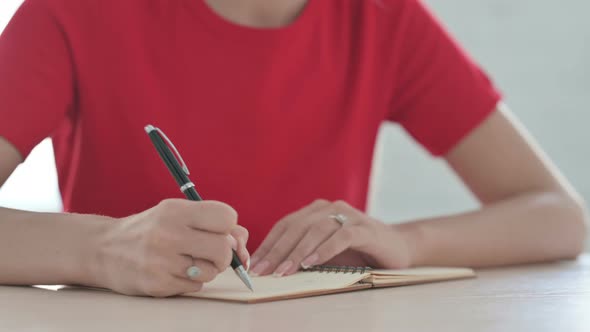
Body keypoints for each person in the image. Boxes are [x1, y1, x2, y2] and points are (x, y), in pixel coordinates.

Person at [0, 0, 586, 298]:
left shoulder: (381, 18)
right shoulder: (75, 10)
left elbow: (558, 217)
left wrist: (407, 241)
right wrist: (103, 249)